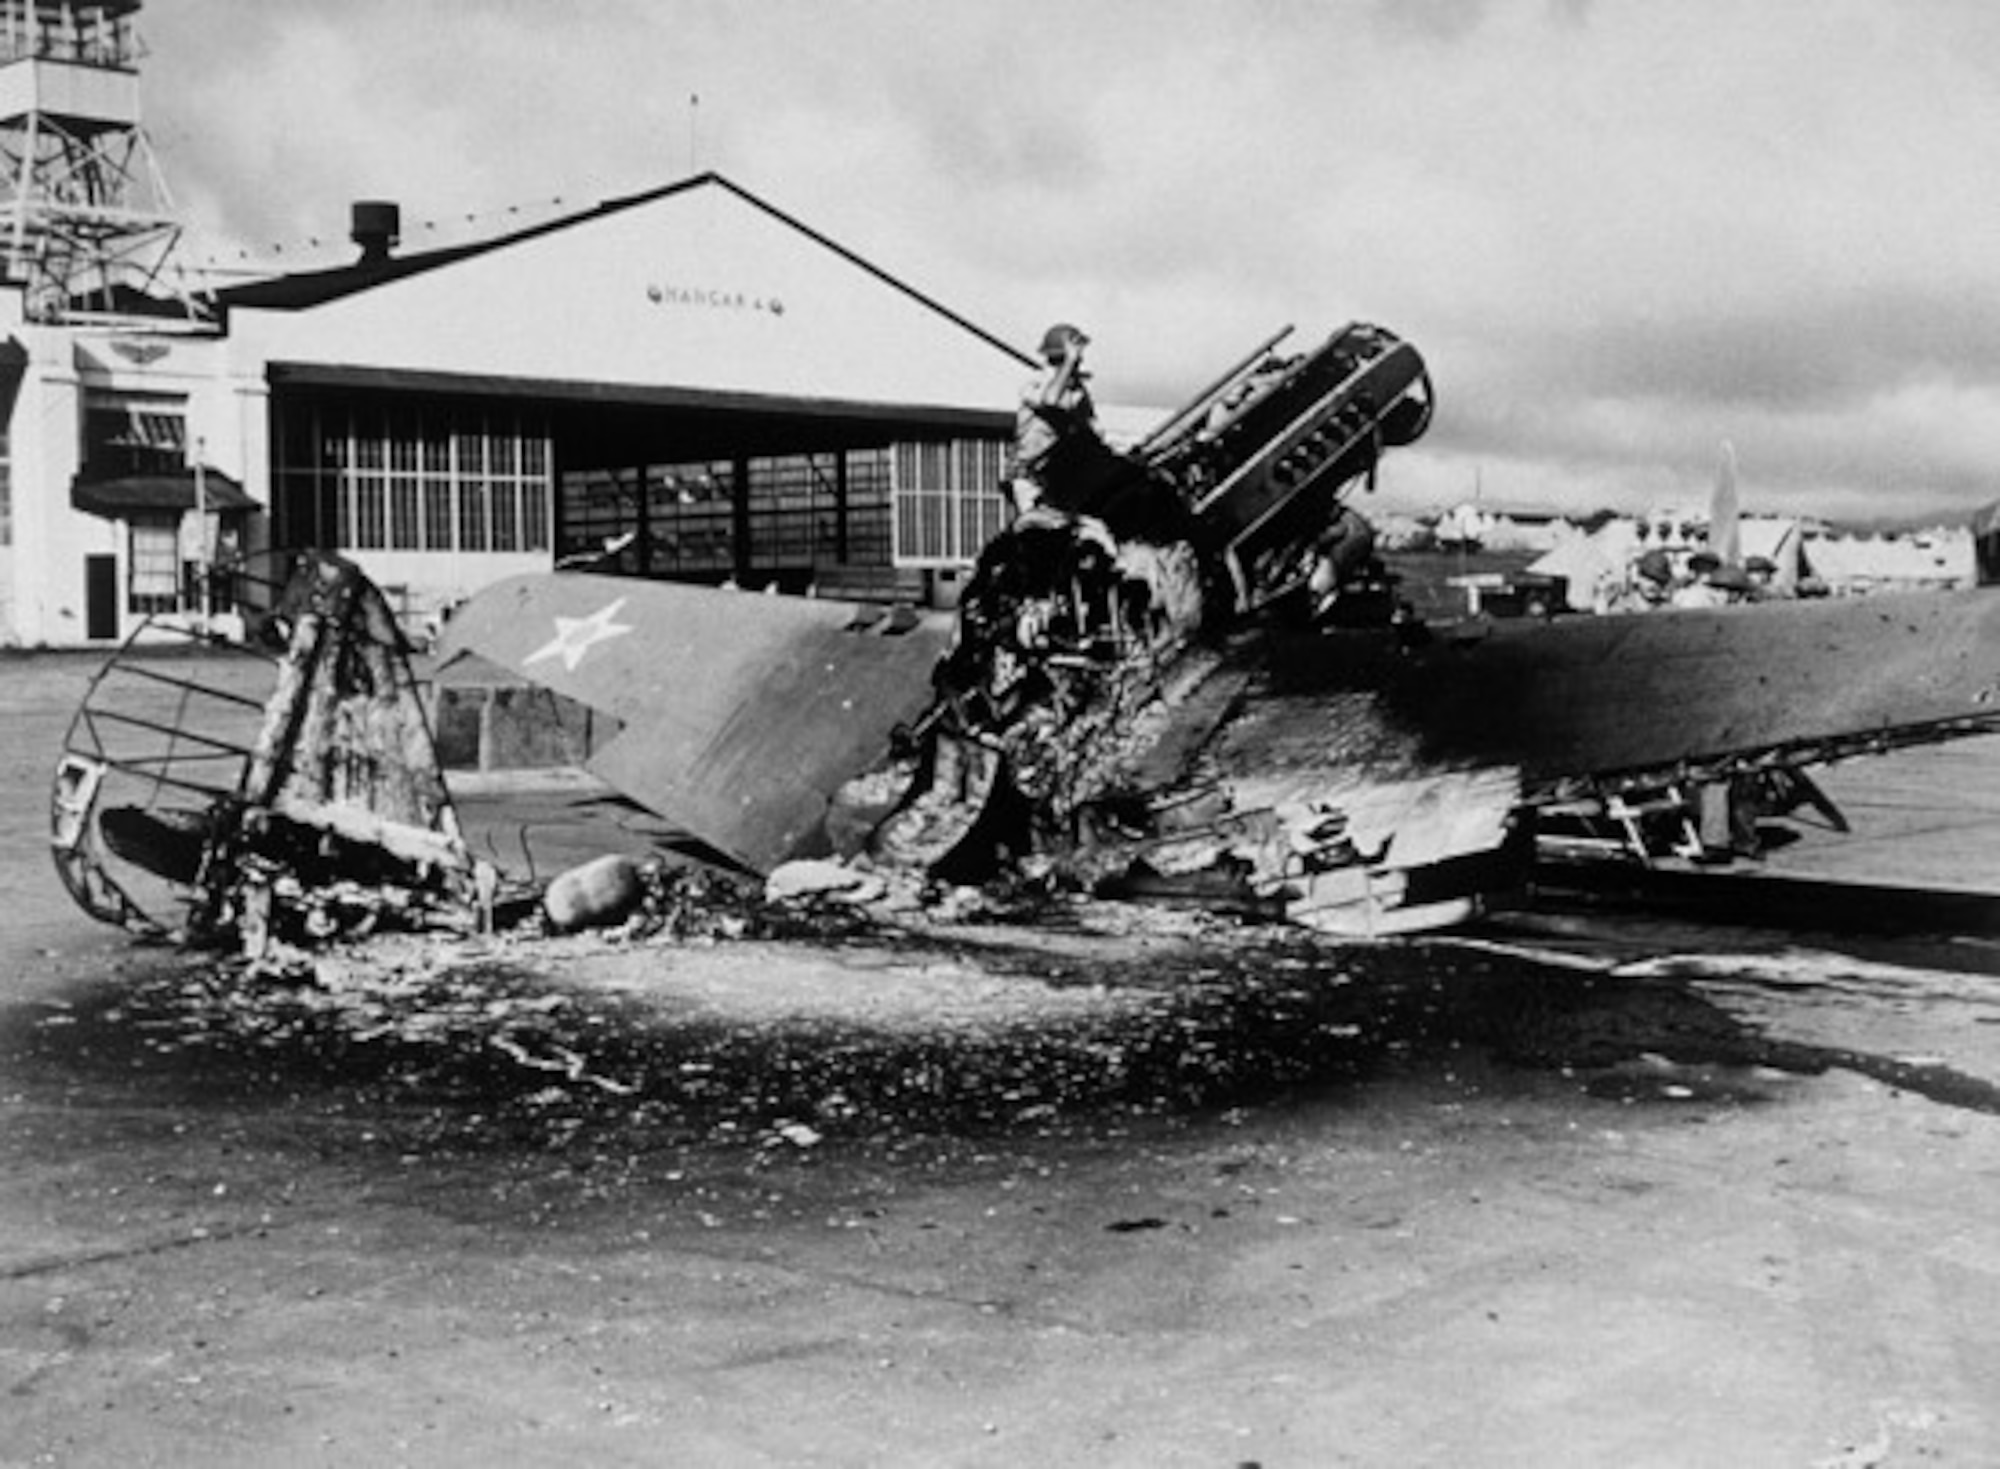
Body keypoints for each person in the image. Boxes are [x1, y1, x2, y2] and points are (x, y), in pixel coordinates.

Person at [1009, 322, 1102, 514]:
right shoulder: (1034, 382)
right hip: (1031, 481)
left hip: (1062, 479)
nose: (1080, 359)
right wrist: (1069, 362)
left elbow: (1093, 431)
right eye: (1076, 354)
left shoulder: (1077, 391)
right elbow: (1051, 401)